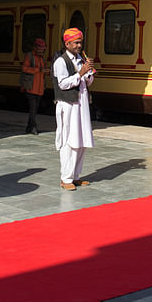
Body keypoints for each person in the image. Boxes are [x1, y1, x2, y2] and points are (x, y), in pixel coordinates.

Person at [52, 28, 95, 191]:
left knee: (81, 141)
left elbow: (88, 82)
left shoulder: (80, 59)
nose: (79, 45)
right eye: (76, 42)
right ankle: (66, 178)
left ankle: (76, 176)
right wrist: (80, 73)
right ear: (67, 43)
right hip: (69, 106)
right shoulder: (60, 62)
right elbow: (62, 84)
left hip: (82, 104)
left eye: (80, 42)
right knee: (69, 141)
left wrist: (88, 72)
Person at [22, 38, 47, 135]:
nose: (41, 50)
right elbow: (25, 68)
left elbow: (42, 70)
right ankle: (33, 127)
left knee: (35, 109)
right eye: (40, 48)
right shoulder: (29, 56)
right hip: (31, 87)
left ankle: (29, 127)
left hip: (40, 88)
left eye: (43, 48)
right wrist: (39, 70)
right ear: (35, 48)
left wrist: (45, 71)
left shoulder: (42, 58)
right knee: (33, 109)